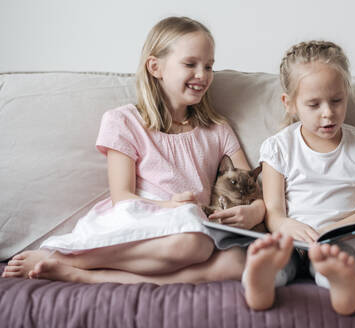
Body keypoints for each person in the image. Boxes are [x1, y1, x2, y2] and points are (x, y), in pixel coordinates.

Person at [2, 16, 265, 285]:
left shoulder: (217, 129)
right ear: (155, 67)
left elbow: (252, 186)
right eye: (190, 64)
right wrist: (169, 205)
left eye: (209, 66)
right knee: (193, 244)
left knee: (238, 262)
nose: (203, 75)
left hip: (192, 223)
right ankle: (68, 259)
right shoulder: (124, 121)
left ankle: (82, 276)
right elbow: (122, 197)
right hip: (142, 216)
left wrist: (255, 212)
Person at [241, 41, 355, 315]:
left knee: (337, 261)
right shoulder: (278, 148)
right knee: (279, 262)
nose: (328, 112)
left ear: (347, 94)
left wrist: (332, 232)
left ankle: (342, 284)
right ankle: (262, 281)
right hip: (291, 241)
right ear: (290, 104)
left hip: (339, 241)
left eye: (336, 100)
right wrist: (286, 225)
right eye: (314, 104)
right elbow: (273, 211)